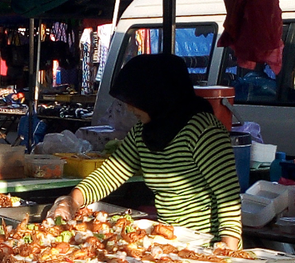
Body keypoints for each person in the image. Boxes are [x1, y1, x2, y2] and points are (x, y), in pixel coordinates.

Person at [47, 53, 242, 249]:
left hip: (209, 244)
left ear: (157, 95)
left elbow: (228, 197)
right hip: (170, 242)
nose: (130, 108)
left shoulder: (204, 130)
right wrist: (71, 201)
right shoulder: (142, 132)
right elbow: (109, 175)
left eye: (134, 100)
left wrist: (227, 251)